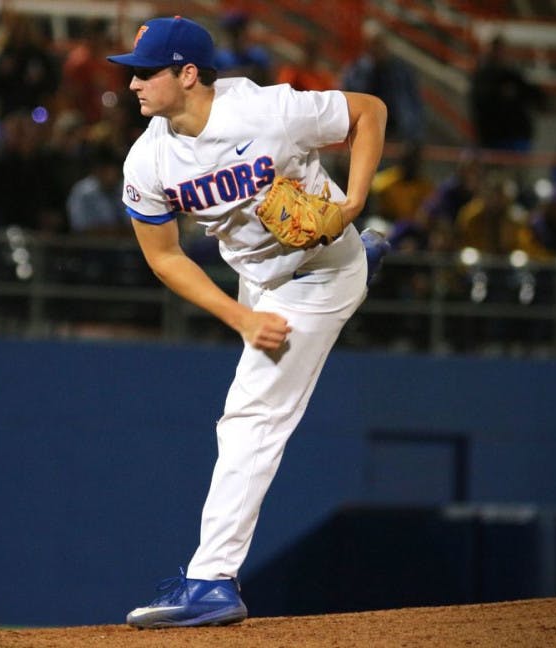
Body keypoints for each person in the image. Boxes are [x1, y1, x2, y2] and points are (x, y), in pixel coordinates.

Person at [105, 16, 388, 629]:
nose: (132, 85)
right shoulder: (148, 158)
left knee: (251, 418)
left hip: (317, 276)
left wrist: (354, 201)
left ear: (187, 75)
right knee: (251, 398)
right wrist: (240, 316)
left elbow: (369, 111)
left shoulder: (268, 111)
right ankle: (367, 256)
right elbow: (164, 256)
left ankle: (211, 581)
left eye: (145, 73)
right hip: (257, 280)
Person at [341, 20, 423, 144]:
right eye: (373, 43)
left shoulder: (401, 72)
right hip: (365, 136)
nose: (377, 47)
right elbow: (350, 104)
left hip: (396, 136)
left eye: (380, 42)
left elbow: (412, 106)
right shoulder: (356, 72)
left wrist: (414, 136)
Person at [468, 33, 546, 152]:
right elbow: (482, 102)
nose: (502, 54)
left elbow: (536, 95)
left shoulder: (513, 75)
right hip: (493, 138)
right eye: (498, 50)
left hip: (516, 137)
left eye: (503, 50)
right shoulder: (483, 76)